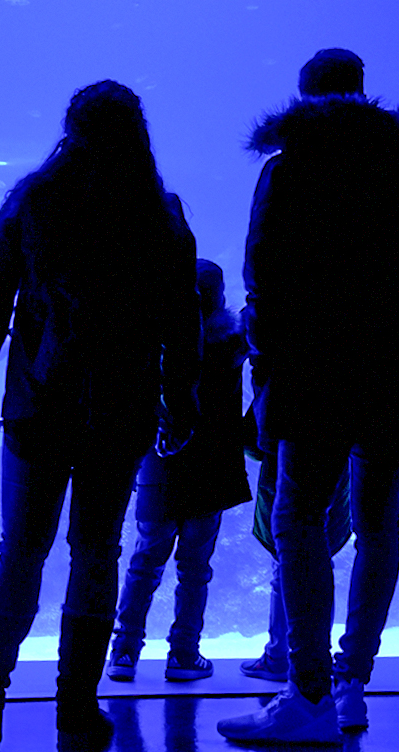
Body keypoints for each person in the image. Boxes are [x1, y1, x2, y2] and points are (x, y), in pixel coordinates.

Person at [0, 80, 200, 747]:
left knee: (22, 550)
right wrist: (181, 399)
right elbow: (182, 320)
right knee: (97, 552)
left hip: (39, 406)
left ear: (70, 128)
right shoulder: (160, 212)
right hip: (123, 413)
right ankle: (77, 705)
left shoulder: (33, 201)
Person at [217, 48, 399, 743]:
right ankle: (352, 683)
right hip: (393, 372)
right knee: (379, 524)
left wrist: (264, 365)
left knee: (298, 519)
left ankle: (309, 693)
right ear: (362, 91)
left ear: (303, 96)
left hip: (310, 372)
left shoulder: (287, 169)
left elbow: (261, 274)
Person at [106, 259, 253, 684]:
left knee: (143, 563)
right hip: (212, 473)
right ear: (219, 297)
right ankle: (184, 655)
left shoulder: (151, 343)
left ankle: (123, 653)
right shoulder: (231, 343)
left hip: (159, 471)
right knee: (194, 570)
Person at [238, 437, 353, 683]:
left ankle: (278, 656)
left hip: (285, 477)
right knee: (322, 566)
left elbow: (257, 441)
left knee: (284, 567)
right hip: (335, 476)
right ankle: (319, 658)